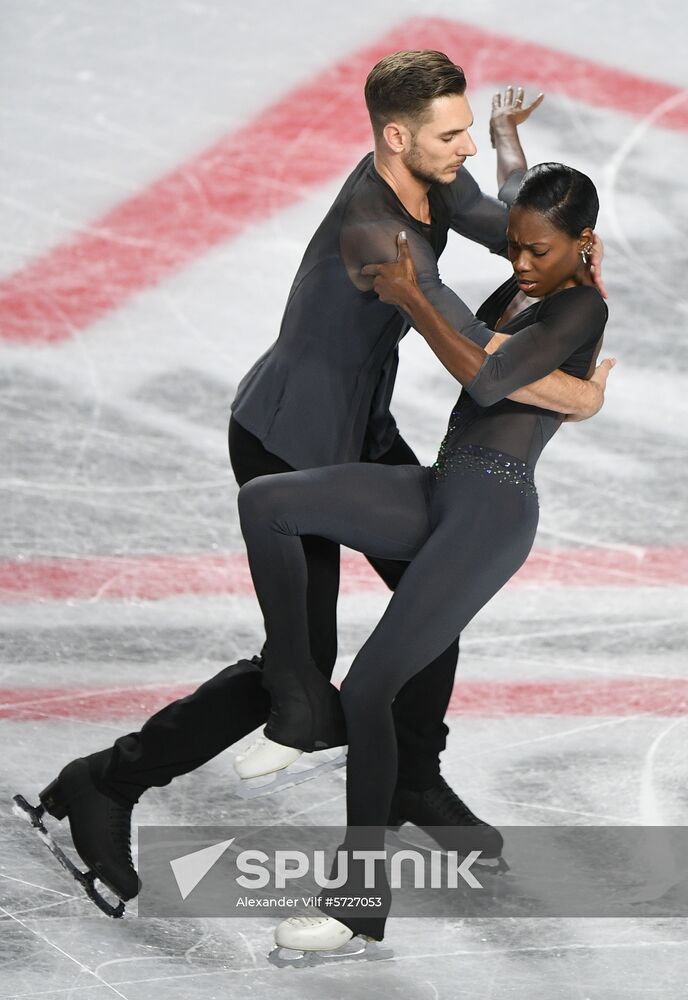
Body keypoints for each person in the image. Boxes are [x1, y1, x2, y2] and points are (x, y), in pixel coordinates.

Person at [14, 52, 609, 913]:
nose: (467, 146)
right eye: (452, 133)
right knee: (299, 671)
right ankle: (106, 780)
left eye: (468, 129)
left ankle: (411, 777)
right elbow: (477, 356)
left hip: (360, 428)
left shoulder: (434, 185)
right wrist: (580, 394)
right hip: (287, 438)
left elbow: (512, 226)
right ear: (397, 138)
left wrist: (544, 201)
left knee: (432, 600)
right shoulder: (376, 230)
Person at [234, 161, 612, 951]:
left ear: (584, 243)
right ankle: (300, 692)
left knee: (373, 686)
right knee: (268, 502)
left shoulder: (581, 305)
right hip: (442, 485)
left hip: (492, 508)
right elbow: (512, 232)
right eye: (514, 246)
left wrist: (410, 296)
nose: (520, 261)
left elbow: (489, 378)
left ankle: (357, 899)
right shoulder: (532, 283)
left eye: (538, 250)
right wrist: (508, 149)